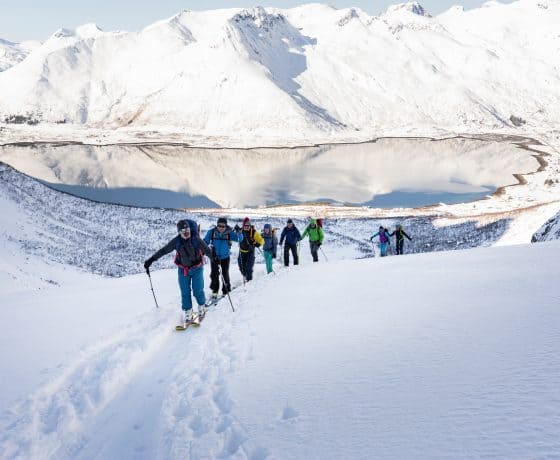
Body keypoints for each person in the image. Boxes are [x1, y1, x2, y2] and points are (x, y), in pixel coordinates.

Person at [144, 219, 212, 323]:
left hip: (197, 268)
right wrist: (151, 260)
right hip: (183, 269)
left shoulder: (196, 239)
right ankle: (188, 312)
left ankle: (202, 307)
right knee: (185, 291)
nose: (186, 232)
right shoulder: (176, 241)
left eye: (188, 229)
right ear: (179, 232)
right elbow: (164, 250)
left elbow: (207, 250)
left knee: (197, 290)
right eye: (183, 231)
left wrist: (215, 258)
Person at [203, 217, 242, 299]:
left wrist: (239, 232)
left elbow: (239, 239)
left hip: (225, 257)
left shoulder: (229, 233)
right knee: (214, 275)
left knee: (225, 275)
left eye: (223, 226)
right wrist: (202, 250)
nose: (221, 228)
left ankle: (226, 290)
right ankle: (215, 291)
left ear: (226, 226)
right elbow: (205, 242)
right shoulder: (212, 232)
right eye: (219, 226)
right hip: (214, 257)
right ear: (217, 225)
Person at [234, 217, 264, 282]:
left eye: (248, 226)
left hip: (250, 252)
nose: (246, 227)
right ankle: (245, 276)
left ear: (250, 226)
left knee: (248, 268)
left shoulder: (253, 232)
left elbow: (261, 240)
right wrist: (236, 230)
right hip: (242, 252)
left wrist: (257, 243)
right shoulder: (240, 231)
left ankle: (249, 281)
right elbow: (234, 236)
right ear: (243, 225)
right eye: (245, 226)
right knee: (241, 267)